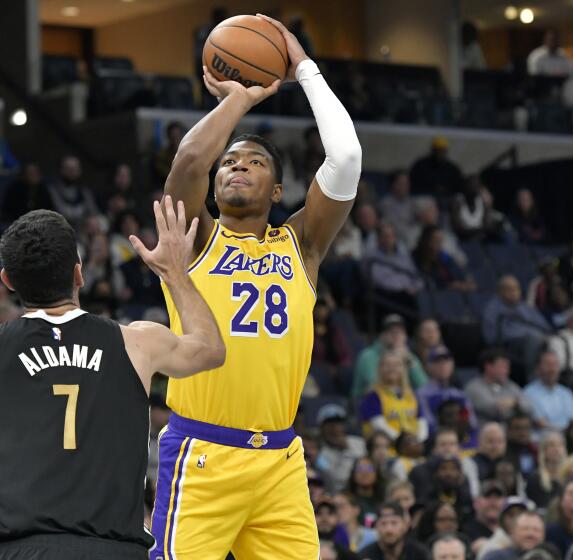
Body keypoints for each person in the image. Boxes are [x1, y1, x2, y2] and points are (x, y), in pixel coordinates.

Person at [0, 196, 225, 558]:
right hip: (115, 550)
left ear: (8, 281)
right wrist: (175, 273)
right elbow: (210, 349)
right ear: (78, 272)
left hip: (24, 550)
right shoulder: (138, 342)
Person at [151, 15, 361, 560]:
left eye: (256, 161)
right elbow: (191, 161)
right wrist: (237, 101)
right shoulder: (193, 241)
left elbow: (347, 158)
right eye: (231, 161)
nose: (237, 165)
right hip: (203, 453)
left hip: (280, 461)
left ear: (279, 189)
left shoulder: (302, 246)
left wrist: (305, 69)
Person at [353, 314, 427, 399]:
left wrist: (409, 361)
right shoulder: (367, 356)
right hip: (367, 402)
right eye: (391, 332)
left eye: (400, 332)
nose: (396, 335)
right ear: (382, 335)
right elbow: (375, 385)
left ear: (405, 336)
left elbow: (424, 388)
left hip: (400, 404)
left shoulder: (409, 356)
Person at [359, 350, 427, 442]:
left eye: (397, 365)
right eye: (387, 365)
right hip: (385, 451)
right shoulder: (372, 396)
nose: (392, 368)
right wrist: (402, 442)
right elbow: (379, 425)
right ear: (379, 369)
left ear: (403, 369)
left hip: (412, 449)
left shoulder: (413, 395)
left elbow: (422, 422)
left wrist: (418, 441)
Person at [466, 349, 534, 424]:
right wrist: (514, 405)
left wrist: (514, 403)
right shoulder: (474, 388)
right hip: (485, 430)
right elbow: (494, 410)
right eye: (502, 366)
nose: (507, 371)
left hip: (510, 430)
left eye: (507, 367)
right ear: (488, 367)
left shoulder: (510, 385)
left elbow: (529, 407)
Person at [522, 350, 573, 431]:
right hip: (543, 439)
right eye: (548, 365)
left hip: (567, 437)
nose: (552, 369)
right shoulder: (528, 393)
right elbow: (541, 423)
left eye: (555, 365)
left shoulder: (567, 393)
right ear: (537, 368)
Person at [357, 501, 429, 560]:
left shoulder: (419, 554)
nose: (389, 529)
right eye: (383, 523)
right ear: (376, 527)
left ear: (405, 525)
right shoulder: (365, 556)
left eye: (394, 523)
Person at [464, 481, 508, 556]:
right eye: (487, 496)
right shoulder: (465, 533)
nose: (493, 501)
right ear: (476, 503)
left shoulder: (511, 532)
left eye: (498, 497)